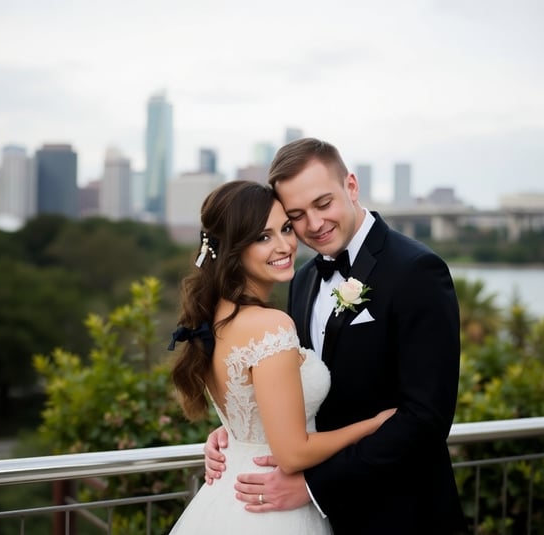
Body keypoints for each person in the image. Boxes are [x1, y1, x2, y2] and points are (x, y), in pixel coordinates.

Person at [204, 139, 466, 534]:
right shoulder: (303, 278)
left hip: (402, 512)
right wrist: (242, 430)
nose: (313, 225)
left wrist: (313, 486)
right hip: (322, 518)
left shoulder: (417, 271)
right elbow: (291, 383)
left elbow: (426, 419)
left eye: (323, 204)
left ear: (352, 186)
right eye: (296, 216)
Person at [166, 180, 395, 535]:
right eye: (263, 237)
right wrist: (373, 425)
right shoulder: (270, 325)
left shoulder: (214, 317)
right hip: (272, 504)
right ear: (231, 249)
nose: (285, 245)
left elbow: (250, 400)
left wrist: (233, 433)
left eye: (286, 229)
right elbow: (292, 454)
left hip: (231, 490)